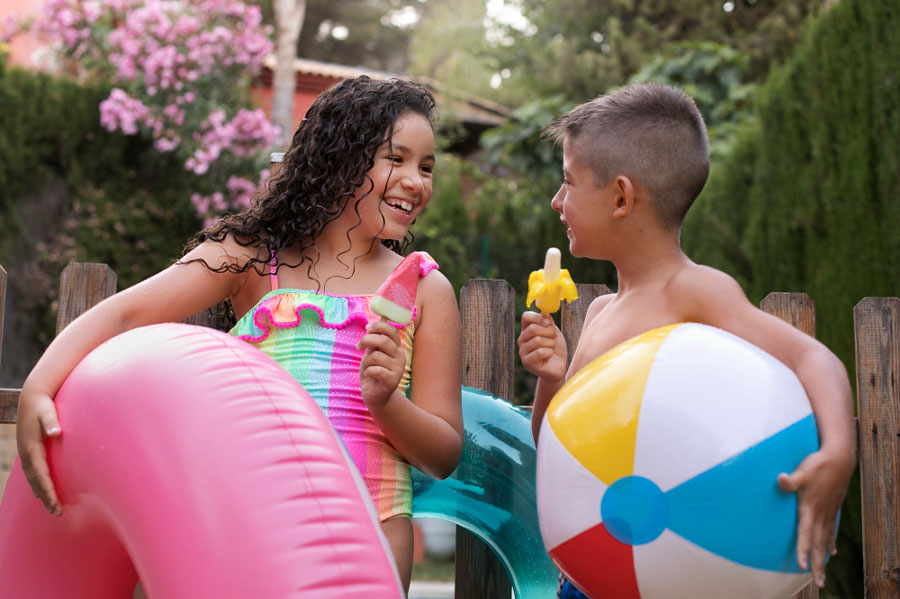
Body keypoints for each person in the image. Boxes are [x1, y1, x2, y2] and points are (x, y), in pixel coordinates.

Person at [16, 75, 464, 591]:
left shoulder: (425, 288)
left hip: (375, 529)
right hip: (254, 523)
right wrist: (39, 386)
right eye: (396, 159)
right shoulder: (254, 259)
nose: (416, 181)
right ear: (341, 158)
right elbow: (125, 314)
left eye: (426, 167)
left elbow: (443, 454)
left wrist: (387, 403)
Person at [517, 82, 856, 592]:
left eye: (568, 182)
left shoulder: (693, 290)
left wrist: (839, 454)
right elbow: (559, 450)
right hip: (589, 577)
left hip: (676, 576)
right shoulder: (600, 312)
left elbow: (813, 358)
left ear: (621, 197)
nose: (556, 200)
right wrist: (550, 378)